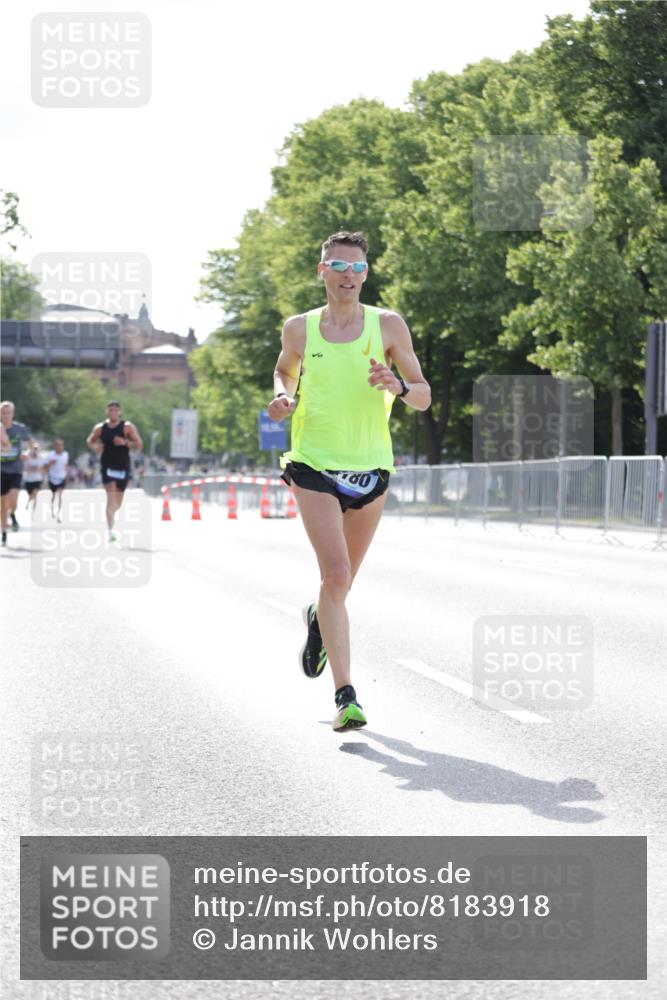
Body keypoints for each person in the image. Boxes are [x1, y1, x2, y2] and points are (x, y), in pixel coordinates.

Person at [269, 231, 431, 732]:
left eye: (357, 268)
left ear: (366, 274)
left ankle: (319, 619)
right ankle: (346, 697)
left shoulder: (387, 325)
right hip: (313, 462)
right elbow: (284, 371)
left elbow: (423, 396)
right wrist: (284, 397)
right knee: (336, 574)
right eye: (338, 266)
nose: (348, 275)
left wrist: (398, 385)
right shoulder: (299, 329)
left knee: (341, 586)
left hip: (370, 467)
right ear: (322, 271)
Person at [86, 401, 143, 541]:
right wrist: (95, 447)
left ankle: (112, 518)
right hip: (107, 465)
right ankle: (110, 530)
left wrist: (125, 442)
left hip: (123, 466)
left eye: (115, 410)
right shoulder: (100, 428)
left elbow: (139, 445)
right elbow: (90, 440)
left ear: (120, 412)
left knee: (117, 503)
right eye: (110, 410)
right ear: (106, 412)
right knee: (110, 494)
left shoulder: (127, 427)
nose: (113, 412)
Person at [1, 400, 33, 546]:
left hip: (15, 469)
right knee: (2, 504)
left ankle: (13, 514)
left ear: (13, 413)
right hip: (1, 469)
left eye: (8, 412)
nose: (6, 415)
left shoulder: (19, 429)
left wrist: (27, 452)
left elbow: (32, 443)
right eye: (3, 412)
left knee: (13, 501)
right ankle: (4, 533)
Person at [44, 438, 69, 522]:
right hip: (52, 478)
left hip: (62, 478)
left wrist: (67, 475)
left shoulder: (65, 454)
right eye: (57, 445)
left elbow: (65, 466)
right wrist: (51, 463)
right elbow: (45, 468)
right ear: (55, 446)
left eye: (61, 445)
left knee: (60, 495)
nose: (59, 446)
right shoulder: (50, 455)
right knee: (54, 496)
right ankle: (52, 508)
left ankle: (59, 514)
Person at [23, 443, 45, 514]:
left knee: (35, 494)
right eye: (34, 449)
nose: (35, 450)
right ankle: (28, 503)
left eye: (36, 449)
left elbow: (41, 469)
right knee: (31, 495)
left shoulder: (40, 458)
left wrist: (33, 469)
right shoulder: (27, 457)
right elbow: (26, 468)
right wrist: (34, 469)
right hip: (28, 480)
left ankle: (34, 511)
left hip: (37, 479)